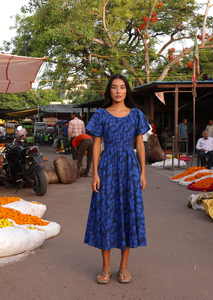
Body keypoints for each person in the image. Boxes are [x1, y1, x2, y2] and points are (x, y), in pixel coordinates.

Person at [84, 74, 150, 284]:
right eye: (114, 87)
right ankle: (106, 267)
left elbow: (139, 145)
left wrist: (142, 172)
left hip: (129, 169)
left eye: (122, 87)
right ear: (109, 91)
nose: (118, 91)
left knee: (128, 213)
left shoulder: (136, 115)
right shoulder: (101, 115)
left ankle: (123, 266)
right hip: (107, 168)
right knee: (106, 213)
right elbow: (96, 145)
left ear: (127, 91)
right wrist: (94, 173)